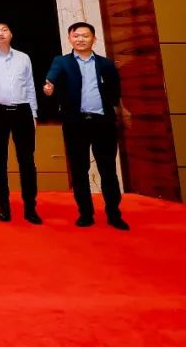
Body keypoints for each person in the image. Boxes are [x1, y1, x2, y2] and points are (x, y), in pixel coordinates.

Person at [45, 21, 130, 231]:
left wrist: (122, 111)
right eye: (76, 36)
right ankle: (85, 213)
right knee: (79, 170)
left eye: (85, 35)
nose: (80, 39)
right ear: (69, 39)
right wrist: (49, 86)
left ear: (94, 38)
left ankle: (114, 214)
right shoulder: (61, 61)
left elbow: (115, 92)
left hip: (103, 123)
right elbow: (52, 77)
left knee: (108, 170)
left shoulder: (106, 64)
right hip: (76, 123)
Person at [0, 21, 41, 224]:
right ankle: (3, 207)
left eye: (4, 30)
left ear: (11, 34)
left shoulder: (23, 57)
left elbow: (30, 86)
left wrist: (33, 113)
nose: (0, 33)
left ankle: (30, 208)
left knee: (27, 161)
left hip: (23, 111)